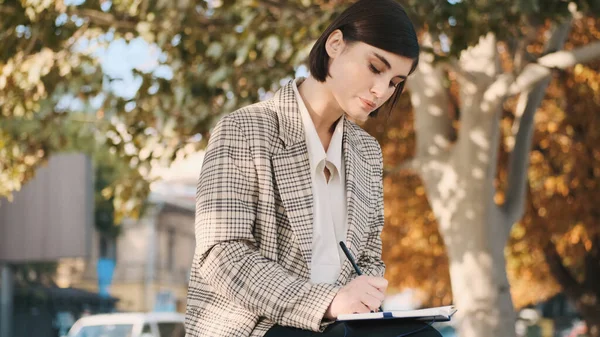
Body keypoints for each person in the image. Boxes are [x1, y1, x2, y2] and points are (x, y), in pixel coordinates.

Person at [185, 0, 441, 336]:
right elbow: (222, 257)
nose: (381, 91)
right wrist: (328, 301)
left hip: (339, 325)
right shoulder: (245, 129)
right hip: (257, 326)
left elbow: (368, 259)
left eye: (395, 82)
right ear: (335, 44)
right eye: (375, 68)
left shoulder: (367, 152)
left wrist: (363, 294)